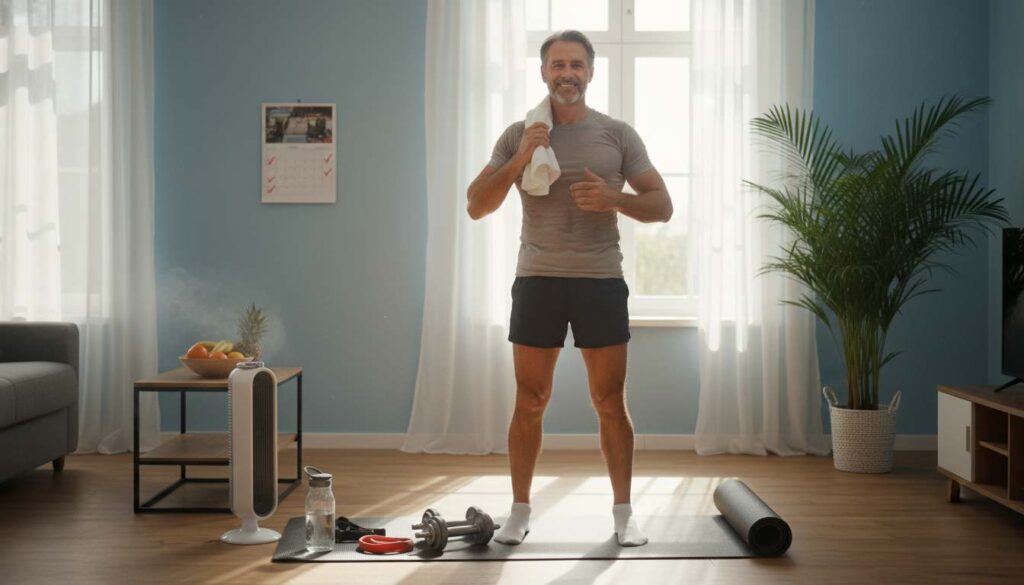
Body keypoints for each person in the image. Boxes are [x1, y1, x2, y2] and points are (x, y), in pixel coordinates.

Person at [466, 30, 673, 547]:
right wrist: (521, 157)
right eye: (557, 64)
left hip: (600, 279)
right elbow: (476, 204)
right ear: (543, 73)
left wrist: (614, 200)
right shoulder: (519, 134)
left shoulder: (617, 135)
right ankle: (519, 511)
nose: (567, 73)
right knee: (530, 399)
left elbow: (663, 205)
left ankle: (623, 513)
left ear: (590, 72)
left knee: (609, 400)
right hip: (538, 277)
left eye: (576, 64)